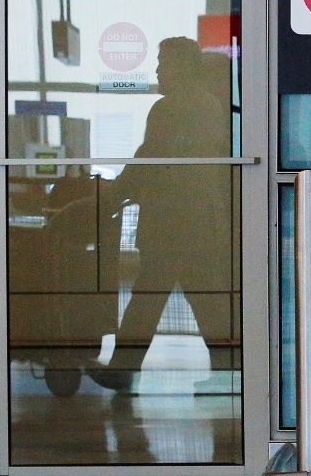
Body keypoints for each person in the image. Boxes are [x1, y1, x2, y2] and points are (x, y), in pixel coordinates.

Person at [87, 37, 236, 391]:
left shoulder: (172, 109)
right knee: (201, 304)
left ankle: (124, 370)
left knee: (152, 300)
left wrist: (114, 194)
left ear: (182, 68)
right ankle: (230, 371)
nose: (157, 70)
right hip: (196, 223)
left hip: (174, 223)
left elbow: (149, 158)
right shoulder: (208, 108)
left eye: (163, 63)